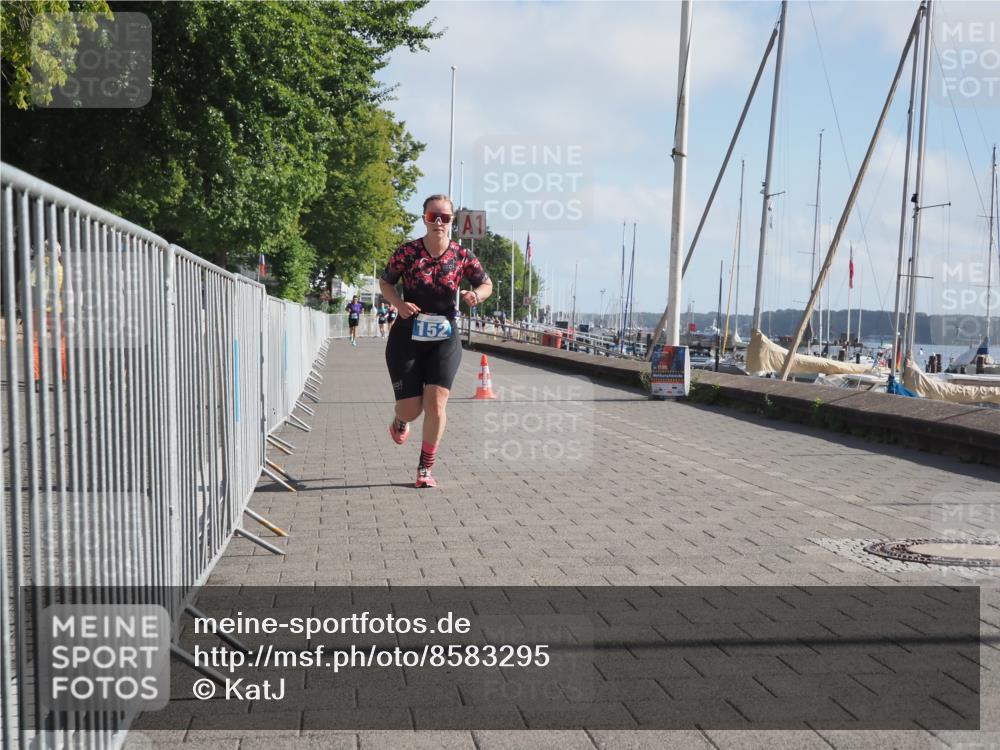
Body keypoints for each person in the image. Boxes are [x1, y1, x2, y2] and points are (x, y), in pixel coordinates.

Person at [379, 194, 493, 488]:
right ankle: (400, 421)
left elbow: (486, 283)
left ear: (453, 222)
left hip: (444, 335)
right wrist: (398, 305)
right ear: (424, 219)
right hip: (407, 334)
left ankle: (425, 469)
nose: (439, 222)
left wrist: (475, 295)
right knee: (411, 409)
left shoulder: (461, 255)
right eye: (433, 217)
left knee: (437, 403)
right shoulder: (408, 253)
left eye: (445, 218)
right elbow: (386, 282)